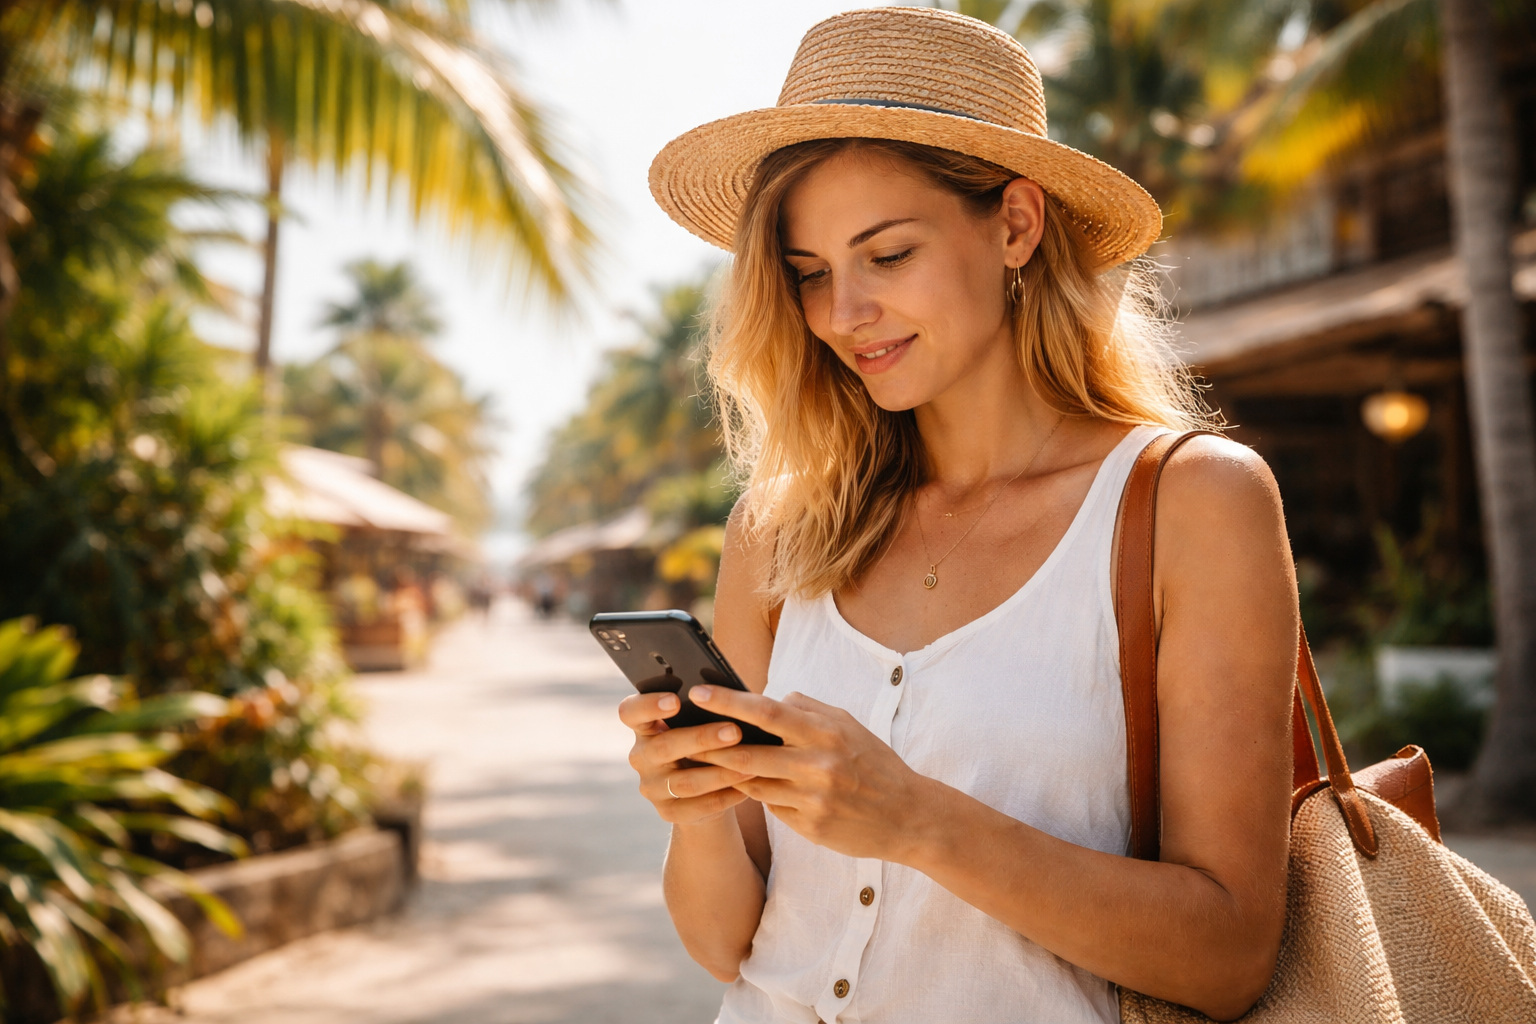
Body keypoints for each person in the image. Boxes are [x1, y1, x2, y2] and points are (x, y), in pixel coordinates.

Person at [620, 9, 1297, 1024]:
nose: (843, 313)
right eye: (809, 274)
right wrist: (697, 811)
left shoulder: (1192, 502)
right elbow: (727, 944)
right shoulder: (780, 530)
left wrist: (916, 820)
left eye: (886, 255)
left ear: (1016, 225)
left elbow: (1230, 954)